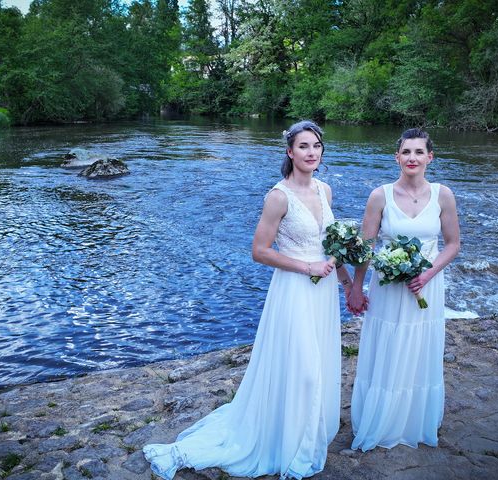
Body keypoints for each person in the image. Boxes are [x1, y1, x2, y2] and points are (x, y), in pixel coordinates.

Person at [143, 120, 355, 479]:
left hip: (324, 291)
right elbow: (259, 251)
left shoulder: (325, 191)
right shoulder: (278, 196)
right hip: (294, 290)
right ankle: (283, 440)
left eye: (316, 146)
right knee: (301, 368)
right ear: (290, 152)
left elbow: (330, 243)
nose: (311, 152)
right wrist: (308, 268)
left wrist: (346, 281)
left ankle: (305, 430)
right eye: (304, 146)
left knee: (318, 362)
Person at [347, 128, 460, 452]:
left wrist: (428, 273)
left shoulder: (443, 195)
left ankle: (413, 421)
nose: (412, 158)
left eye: (418, 152)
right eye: (406, 152)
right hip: (388, 288)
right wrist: (356, 289)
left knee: (419, 347)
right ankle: (381, 422)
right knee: (389, 345)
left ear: (429, 157)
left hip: (426, 286)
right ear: (397, 157)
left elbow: (453, 244)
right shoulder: (379, 195)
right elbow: (366, 247)